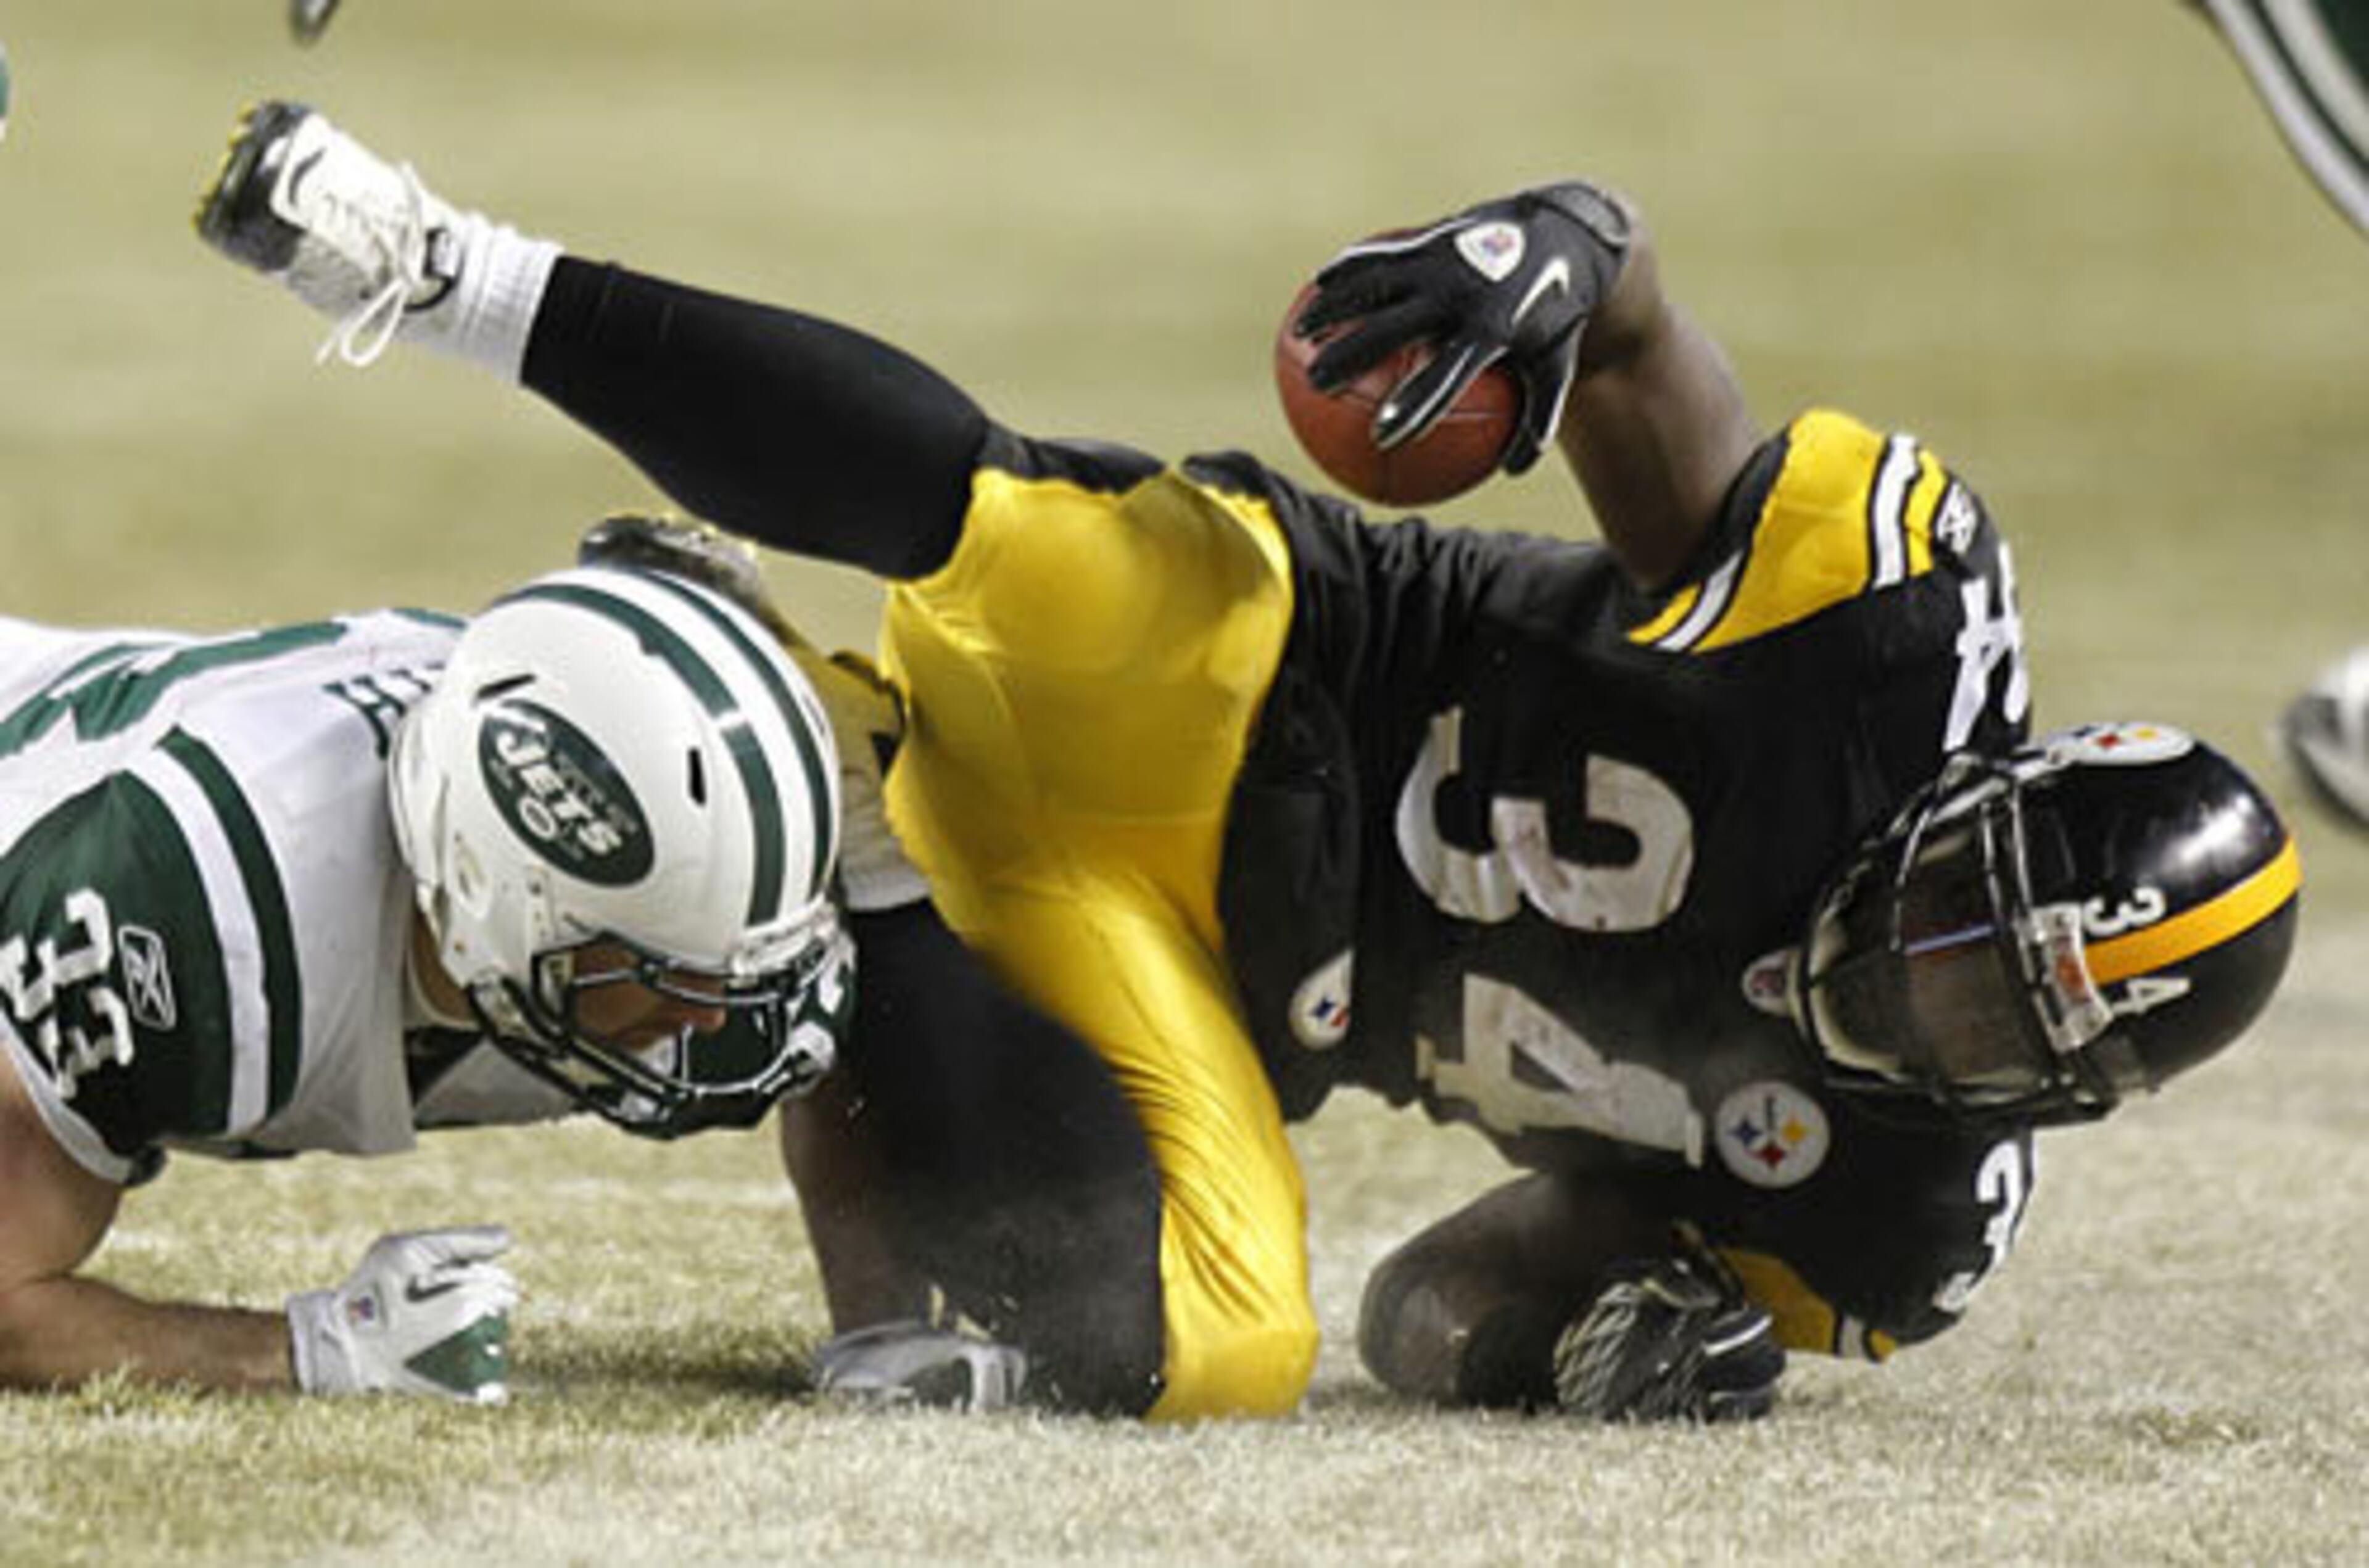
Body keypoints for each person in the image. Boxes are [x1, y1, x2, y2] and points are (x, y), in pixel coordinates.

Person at [193, 101, 2302, 1424]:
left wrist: (1591, 1342)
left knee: (1216, 1356)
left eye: (1988, 1022)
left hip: (1210, 981)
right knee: (1018, 543)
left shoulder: (1894, 1226)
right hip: (1264, 669)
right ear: (1967, 802)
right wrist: (1556, 246)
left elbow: (1424, 1305)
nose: (1922, 984)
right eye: (1960, 919)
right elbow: (1636, 326)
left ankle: (790, 747)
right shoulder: (1886, 643)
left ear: (2059, 1105)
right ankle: (447, 271)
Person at [0, 559, 857, 1402]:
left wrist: (890, 1321)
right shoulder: (195, 912)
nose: (704, 1021)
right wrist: (309, 1347)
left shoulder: (612, 845)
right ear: (487, 888)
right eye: (667, 972)